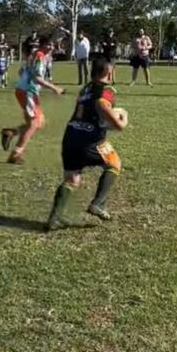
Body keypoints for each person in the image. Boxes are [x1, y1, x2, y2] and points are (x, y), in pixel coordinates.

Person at [46, 58, 127, 231]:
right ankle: (98, 204)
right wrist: (119, 122)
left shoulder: (87, 88)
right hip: (89, 140)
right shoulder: (106, 89)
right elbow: (102, 104)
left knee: (72, 179)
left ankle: (55, 218)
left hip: (71, 136)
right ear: (109, 72)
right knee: (114, 164)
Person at [1, 37, 65, 165]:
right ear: (42, 45)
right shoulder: (40, 57)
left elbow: (21, 71)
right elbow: (37, 78)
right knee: (33, 124)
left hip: (26, 90)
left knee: (39, 122)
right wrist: (54, 88)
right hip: (27, 92)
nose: (51, 48)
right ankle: (15, 155)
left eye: (53, 45)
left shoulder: (35, 55)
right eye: (49, 45)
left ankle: (11, 132)